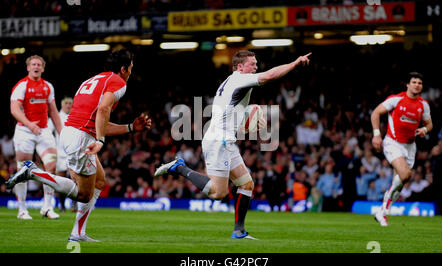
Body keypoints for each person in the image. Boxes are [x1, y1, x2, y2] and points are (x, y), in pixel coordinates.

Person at [154, 50, 312, 239]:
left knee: (246, 184)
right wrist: (294, 63)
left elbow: (230, 112)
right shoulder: (239, 80)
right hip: (218, 141)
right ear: (240, 67)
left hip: (224, 139)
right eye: (252, 64)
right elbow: (270, 76)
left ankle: (239, 231)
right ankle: (180, 168)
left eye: (256, 63)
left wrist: (245, 121)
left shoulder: (230, 81)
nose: (255, 67)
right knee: (218, 193)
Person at [7, 49, 151, 241]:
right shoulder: (118, 82)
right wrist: (100, 141)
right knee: (83, 194)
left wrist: (131, 127)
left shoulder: (92, 80)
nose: (131, 72)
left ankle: (78, 232)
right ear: (124, 69)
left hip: (72, 132)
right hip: (82, 138)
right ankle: (33, 172)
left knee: (99, 180)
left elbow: (98, 120)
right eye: (131, 68)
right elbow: (103, 110)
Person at [371, 72, 433, 226]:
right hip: (393, 143)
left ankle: (383, 212)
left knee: (399, 181)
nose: (417, 85)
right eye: (414, 82)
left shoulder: (423, 105)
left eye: (419, 82)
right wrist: (377, 135)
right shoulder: (396, 99)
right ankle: (384, 207)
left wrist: (424, 130)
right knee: (405, 175)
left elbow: (429, 124)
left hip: (410, 146)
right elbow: (376, 113)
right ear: (408, 84)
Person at [10, 55, 63, 220]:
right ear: (28, 68)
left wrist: (62, 132)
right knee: (23, 170)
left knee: (52, 165)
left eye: (39, 64)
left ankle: (47, 208)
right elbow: (14, 109)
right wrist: (29, 124)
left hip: (43, 130)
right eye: (33, 64)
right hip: (24, 131)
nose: (36, 66)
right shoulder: (21, 86)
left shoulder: (48, 87)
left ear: (43, 68)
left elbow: (53, 111)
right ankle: (22, 210)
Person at [47, 97, 74, 212]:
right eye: (66, 103)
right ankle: (62, 205)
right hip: (60, 154)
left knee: (75, 180)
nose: (68, 105)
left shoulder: (75, 116)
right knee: (61, 181)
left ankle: (74, 204)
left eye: (70, 103)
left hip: (73, 153)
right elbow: (47, 132)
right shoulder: (56, 116)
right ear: (62, 105)